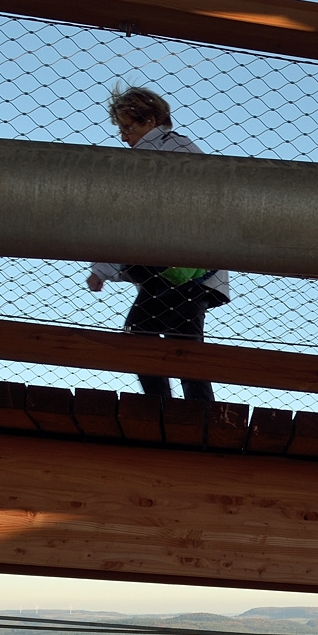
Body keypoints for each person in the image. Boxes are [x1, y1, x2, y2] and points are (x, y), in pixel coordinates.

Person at [85, 86, 231, 403]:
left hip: (171, 272)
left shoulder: (157, 156)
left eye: (128, 127)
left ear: (150, 121)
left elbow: (128, 216)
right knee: (185, 344)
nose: (123, 137)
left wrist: (103, 269)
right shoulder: (182, 149)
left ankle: (160, 407)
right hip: (197, 274)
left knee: (141, 337)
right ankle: (198, 412)